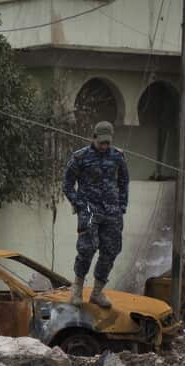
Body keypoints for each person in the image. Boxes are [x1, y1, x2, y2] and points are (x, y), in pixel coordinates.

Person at [62, 121, 129, 308]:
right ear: (94, 137)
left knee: (111, 250)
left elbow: (124, 182)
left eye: (108, 142)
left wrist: (121, 206)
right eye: (102, 143)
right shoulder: (80, 157)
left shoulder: (118, 156)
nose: (105, 146)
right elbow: (67, 184)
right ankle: (76, 290)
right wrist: (80, 204)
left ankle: (97, 292)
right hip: (90, 210)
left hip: (112, 211)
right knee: (87, 248)